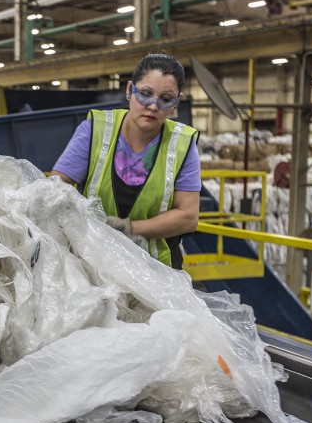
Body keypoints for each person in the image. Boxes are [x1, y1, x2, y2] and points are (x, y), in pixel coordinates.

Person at [51, 52, 201, 269]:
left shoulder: (183, 145)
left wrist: (129, 227)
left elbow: (188, 217)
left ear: (177, 101)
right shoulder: (95, 130)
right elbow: (56, 189)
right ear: (130, 90)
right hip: (91, 264)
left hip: (155, 273)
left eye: (166, 99)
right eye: (145, 94)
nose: (153, 106)